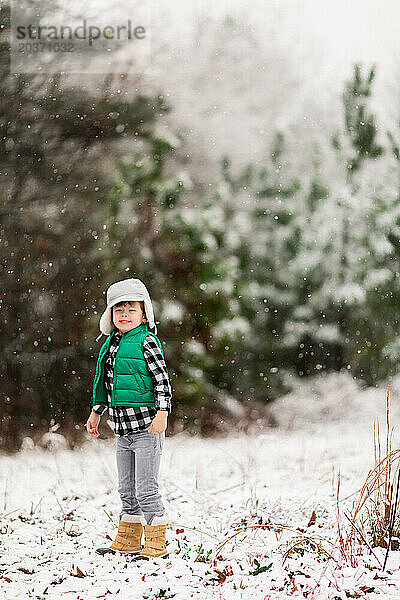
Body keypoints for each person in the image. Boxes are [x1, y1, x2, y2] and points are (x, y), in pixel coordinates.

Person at [85, 277, 172, 560]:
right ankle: (128, 541)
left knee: (146, 488)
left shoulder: (146, 341)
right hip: (122, 431)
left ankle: (156, 545)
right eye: (118, 310)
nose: (124, 315)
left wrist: (162, 413)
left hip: (147, 428)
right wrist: (96, 412)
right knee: (126, 489)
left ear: (144, 313)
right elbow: (105, 383)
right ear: (110, 315)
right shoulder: (111, 344)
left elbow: (162, 381)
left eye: (131, 309)